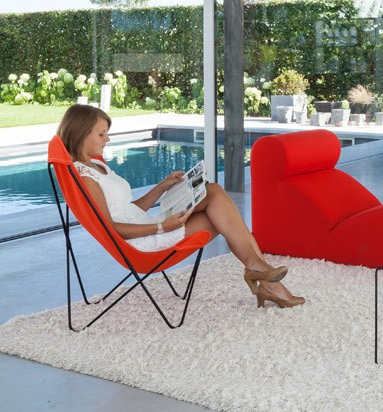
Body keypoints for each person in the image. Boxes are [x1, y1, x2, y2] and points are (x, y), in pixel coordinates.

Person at [57, 104, 304, 309]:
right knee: (219, 207)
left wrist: (163, 186)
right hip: (142, 243)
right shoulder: (85, 178)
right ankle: (266, 280)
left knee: (214, 193)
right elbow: (112, 227)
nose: (107, 139)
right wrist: (162, 227)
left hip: (146, 225)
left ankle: (259, 273)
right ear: (80, 134)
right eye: (101, 134)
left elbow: (128, 210)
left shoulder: (97, 166)